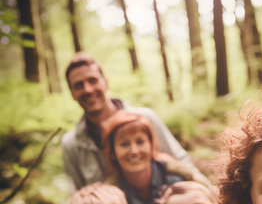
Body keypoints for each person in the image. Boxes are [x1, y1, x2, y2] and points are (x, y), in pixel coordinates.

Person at [61, 51, 204, 190]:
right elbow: (80, 195)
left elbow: (181, 162)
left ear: (105, 83)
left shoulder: (144, 118)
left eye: (93, 80)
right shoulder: (72, 145)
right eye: (78, 85)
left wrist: (207, 195)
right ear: (72, 93)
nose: (88, 89)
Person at [102, 110, 204, 204]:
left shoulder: (177, 181)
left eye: (140, 141)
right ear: (113, 151)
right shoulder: (112, 198)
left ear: (151, 145)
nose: (134, 151)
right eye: (124, 144)